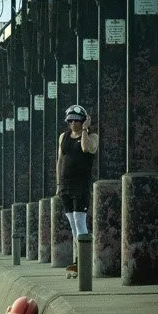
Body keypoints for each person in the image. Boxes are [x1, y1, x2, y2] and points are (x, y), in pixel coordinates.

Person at [57, 105, 99, 249]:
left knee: (79, 220)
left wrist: (85, 130)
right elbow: (59, 161)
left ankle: (85, 258)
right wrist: (58, 184)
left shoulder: (92, 137)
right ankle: (78, 258)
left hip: (81, 184)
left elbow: (86, 148)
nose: (73, 124)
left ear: (83, 121)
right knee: (72, 222)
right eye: (70, 121)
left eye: (76, 121)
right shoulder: (63, 137)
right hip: (65, 184)